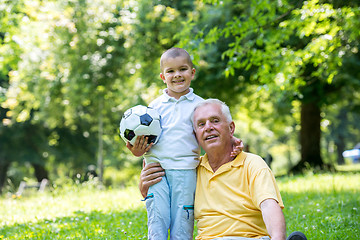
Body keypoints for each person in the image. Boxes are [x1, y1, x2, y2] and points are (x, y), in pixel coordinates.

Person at [139, 99, 307, 240]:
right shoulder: (191, 170)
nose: (208, 127)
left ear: (231, 128)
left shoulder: (252, 163)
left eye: (215, 120)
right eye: (201, 124)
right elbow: (169, 203)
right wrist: (145, 187)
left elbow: (269, 206)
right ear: (195, 136)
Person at [125, 48, 243, 240]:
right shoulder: (153, 108)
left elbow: (214, 129)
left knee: (182, 222)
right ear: (163, 76)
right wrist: (137, 152)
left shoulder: (200, 106)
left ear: (192, 72)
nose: (177, 75)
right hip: (157, 172)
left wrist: (233, 141)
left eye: (183, 69)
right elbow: (143, 143)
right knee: (157, 220)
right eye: (171, 71)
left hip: (186, 172)